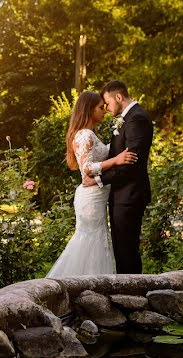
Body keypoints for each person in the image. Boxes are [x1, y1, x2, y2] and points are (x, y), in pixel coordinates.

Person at [47, 91, 137, 278]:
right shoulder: (84, 135)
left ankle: (91, 285)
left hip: (97, 195)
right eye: (100, 107)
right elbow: (86, 168)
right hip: (91, 197)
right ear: (88, 109)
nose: (104, 111)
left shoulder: (89, 134)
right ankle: (82, 284)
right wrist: (116, 160)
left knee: (97, 240)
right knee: (90, 240)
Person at [83, 81, 154, 275]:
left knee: (127, 250)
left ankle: (133, 294)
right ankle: (127, 293)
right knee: (122, 250)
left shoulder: (136, 119)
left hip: (130, 195)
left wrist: (98, 180)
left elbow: (131, 163)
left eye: (107, 103)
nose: (106, 108)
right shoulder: (128, 118)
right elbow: (117, 156)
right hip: (122, 194)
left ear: (119, 97)